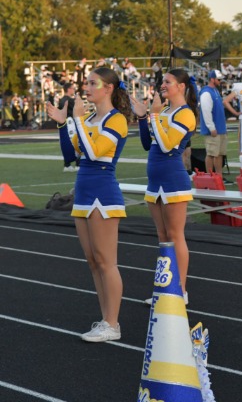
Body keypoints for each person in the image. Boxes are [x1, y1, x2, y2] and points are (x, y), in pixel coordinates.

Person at [45, 67, 132, 342]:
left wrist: (79, 120)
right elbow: (70, 156)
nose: (87, 88)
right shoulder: (91, 119)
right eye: (87, 83)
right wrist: (63, 124)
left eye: (93, 83)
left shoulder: (117, 120)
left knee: (106, 262)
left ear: (109, 88)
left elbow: (94, 153)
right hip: (83, 193)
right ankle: (106, 320)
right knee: (93, 262)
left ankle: (113, 324)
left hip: (103, 194)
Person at [131, 68, 198, 305]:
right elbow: (147, 144)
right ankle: (166, 288)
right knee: (162, 237)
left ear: (181, 86)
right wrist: (143, 118)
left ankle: (180, 291)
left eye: (168, 82)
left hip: (173, 180)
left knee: (175, 235)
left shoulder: (186, 114)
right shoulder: (165, 111)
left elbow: (167, 145)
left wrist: (154, 115)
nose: (163, 85)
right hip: (155, 181)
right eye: (163, 81)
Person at [199, 69, 229, 181]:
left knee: (219, 154)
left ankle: (219, 176)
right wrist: (211, 127)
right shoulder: (206, 92)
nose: (220, 81)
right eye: (218, 79)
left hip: (220, 128)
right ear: (212, 79)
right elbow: (206, 111)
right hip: (213, 129)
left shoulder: (215, 91)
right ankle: (210, 177)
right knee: (211, 154)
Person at [59, 82, 80, 172]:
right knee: (77, 142)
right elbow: (77, 110)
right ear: (68, 89)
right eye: (72, 88)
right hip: (71, 123)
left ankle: (67, 165)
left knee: (66, 143)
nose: (74, 90)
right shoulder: (69, 100)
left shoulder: (61, 100)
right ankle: (78, 164)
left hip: (65, 123)